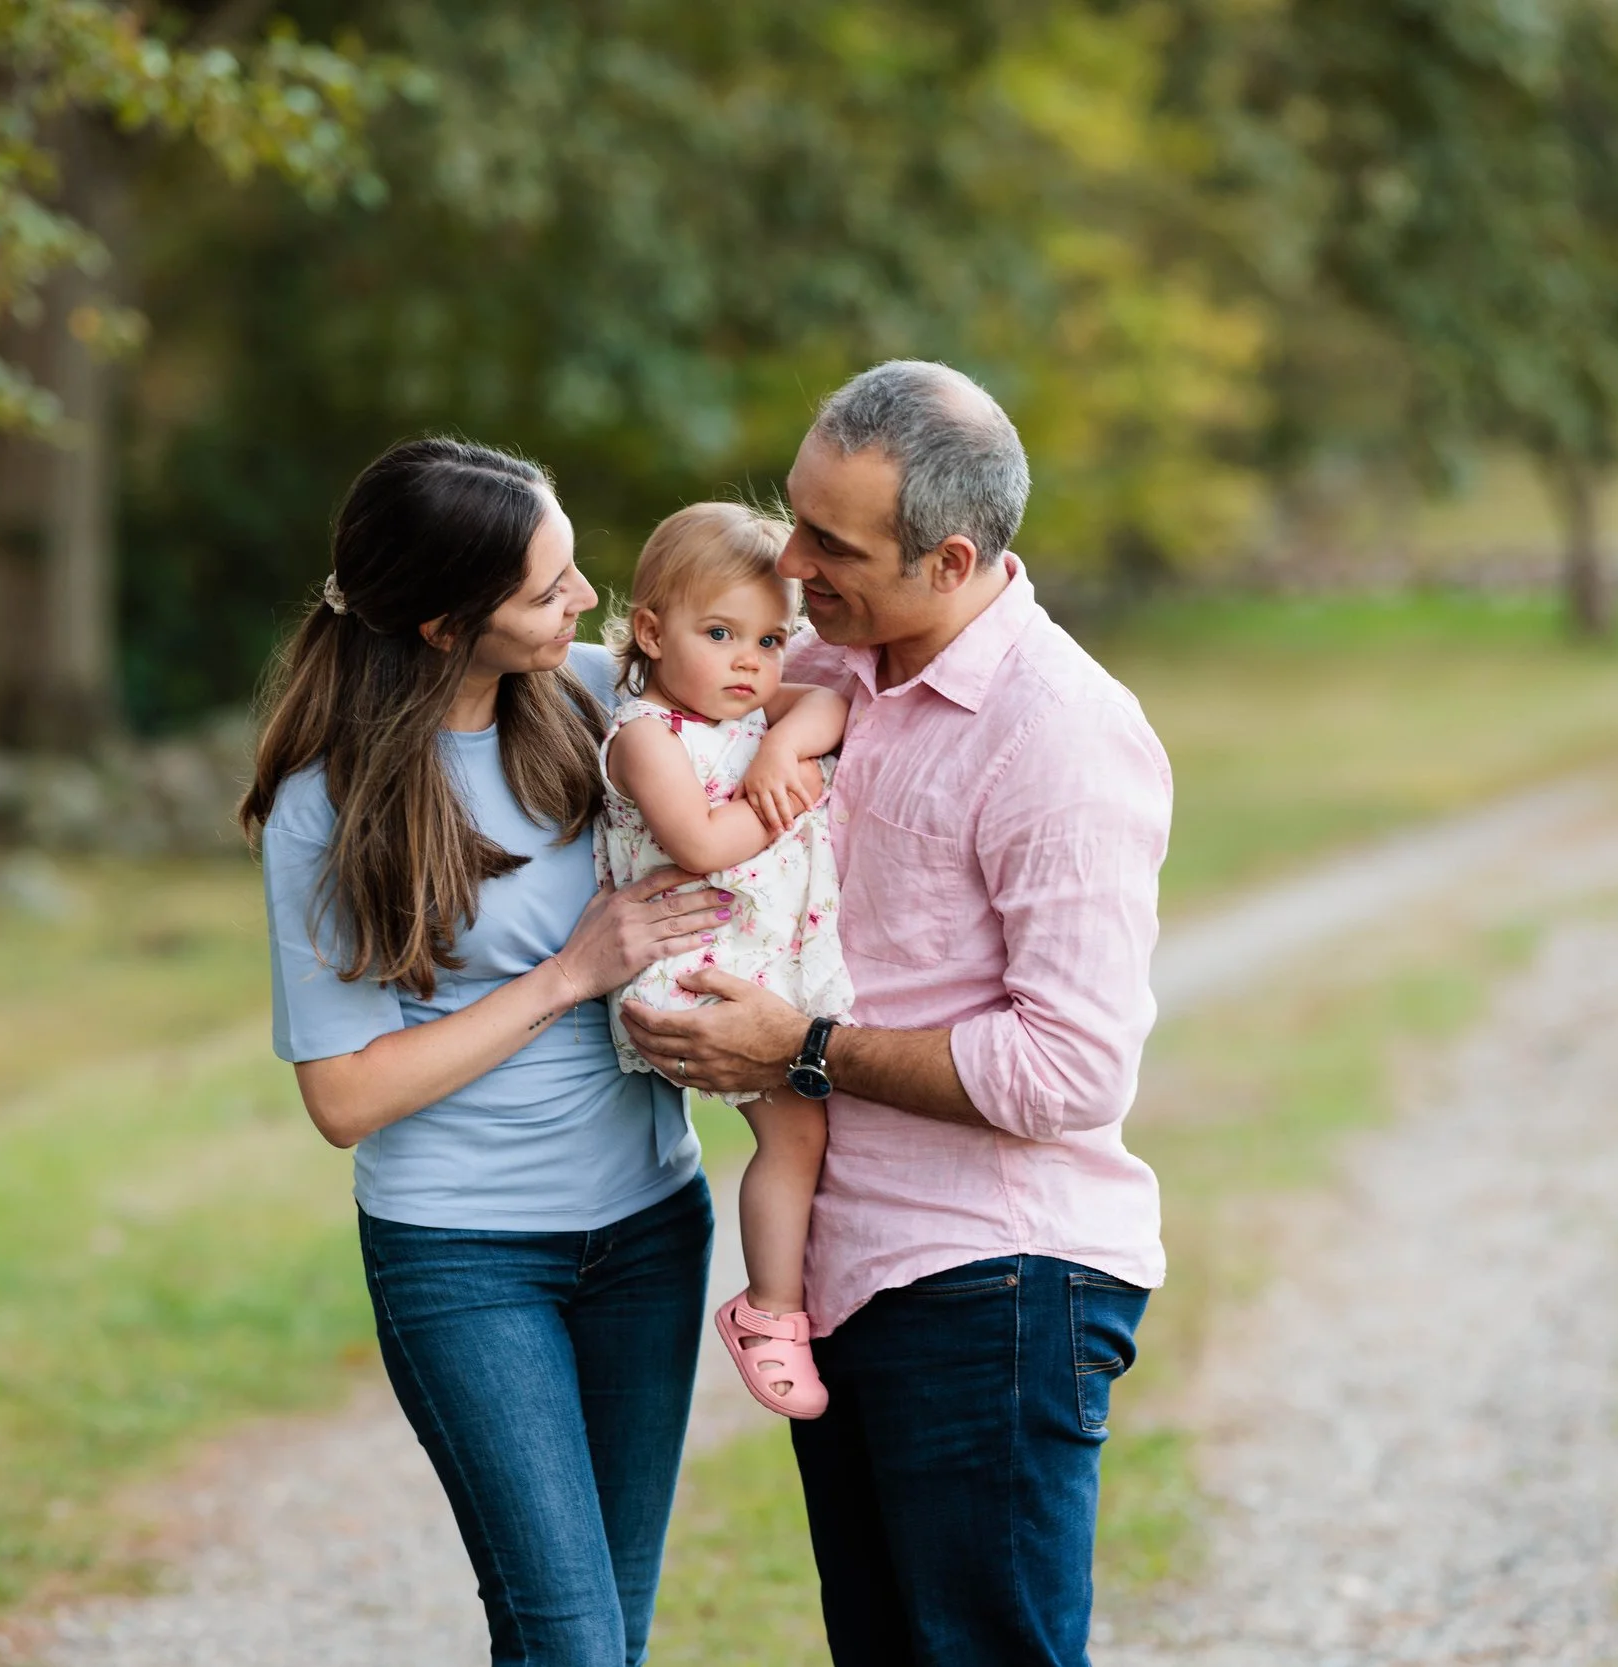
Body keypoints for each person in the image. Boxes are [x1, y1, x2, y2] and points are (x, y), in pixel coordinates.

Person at [621, 361, 1173, 1666]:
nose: (794, 563)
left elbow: (1071, 1068)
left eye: (834, 542)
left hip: (994, 1278)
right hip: (852, 1270)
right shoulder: (824, 659)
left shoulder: (1063, 735)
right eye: (794, 519)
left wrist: (796, 1048)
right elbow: (651, 684)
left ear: (952, 558)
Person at [241, 437, 727, 1667]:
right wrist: (570, 973)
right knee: (565, 1638)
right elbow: (344, 1098)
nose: (586, 603)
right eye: (548, 590)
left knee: (611, 1634)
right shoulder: (326, 801)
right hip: (465, 1257)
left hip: (650, 1230)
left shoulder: (588, 700)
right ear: (446, 624)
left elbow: (785, 668)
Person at [594, 501, 855, 1419]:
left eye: (771, 639)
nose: (752, 662)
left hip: (758, 948)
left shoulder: (750, 706)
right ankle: (770, 1310)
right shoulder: (644, 737)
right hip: (697, 966)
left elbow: (829, 701)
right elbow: (701, 844)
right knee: (796, 1129)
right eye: (720, 633)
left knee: (812, 1128)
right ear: (651, 631)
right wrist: (800, 790)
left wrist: (784, 741)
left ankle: (791, 1297)